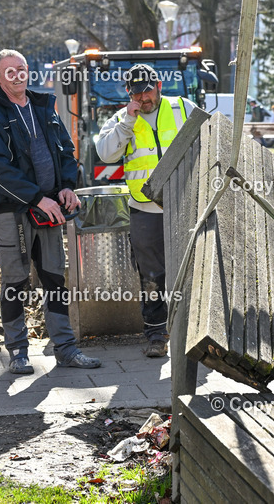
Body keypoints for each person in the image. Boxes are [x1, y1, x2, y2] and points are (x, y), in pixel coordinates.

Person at [0, 49, 101, 374]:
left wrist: (67, 186)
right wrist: (35, 198)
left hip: (49, 209)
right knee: (15, 282)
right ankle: (17, 352)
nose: (18, 76)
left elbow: (66, 151)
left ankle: (66, 350)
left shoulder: (44, 107)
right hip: (13, 213)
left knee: (55, 279)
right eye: (10, 72)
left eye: (22, 69)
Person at [96, 64, 195, 358]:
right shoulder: (121, 118)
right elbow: (105, 153)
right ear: (129, 93)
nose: (144, 98)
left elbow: (210, 137)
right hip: (145, 210)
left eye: (148, 90)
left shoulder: (182, 108)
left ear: (159, 85)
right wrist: (128, 120)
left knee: (189, 271)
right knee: (151, 276)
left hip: (184, 204)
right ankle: (156, 334)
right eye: (137, 93)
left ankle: (192, 332)